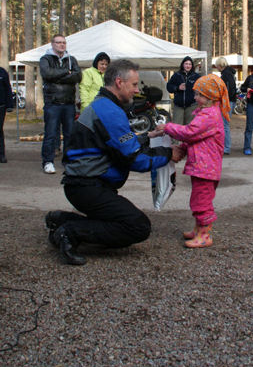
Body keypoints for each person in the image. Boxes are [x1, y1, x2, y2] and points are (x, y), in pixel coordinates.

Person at [44, 59, 182, 266]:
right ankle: (70, 231)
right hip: (87, 187)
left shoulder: (104, 105)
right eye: (134, 84)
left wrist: (148, 136)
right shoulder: (109, 111)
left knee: (117, 219)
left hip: (83, 185)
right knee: (137, 226)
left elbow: (117, 143)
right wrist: (167, 154)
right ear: (119, 82)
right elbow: (134, 159)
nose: (137, 90)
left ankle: (61, 219)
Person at [149, 74, 228, 249]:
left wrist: (168, 127)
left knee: (202, 200)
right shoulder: (206, 112)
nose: (195, 97)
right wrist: (183, 148)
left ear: (210, 96)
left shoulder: (209, 115)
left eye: (199, 94)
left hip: (205, 167)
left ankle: (204, 235)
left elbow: (191, 132)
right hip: (202, 165)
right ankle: (198, 229)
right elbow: (196, 136)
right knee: (199, 197)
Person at [39, 34, 81, 174]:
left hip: (68, 104)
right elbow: (47, 74)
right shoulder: (46, 59)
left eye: (63, 42)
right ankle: (48, 162)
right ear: (52, 44)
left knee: (70, 134)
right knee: (50, 133)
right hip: (53, 103)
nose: (61, 45)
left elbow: (78, 76)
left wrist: (59, 77)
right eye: (58, 42)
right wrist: (65, 73)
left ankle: (68, 161)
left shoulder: (71, 59)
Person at [167, 56, 200, 125]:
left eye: (190, 64)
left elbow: (202, 89)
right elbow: (168, 87)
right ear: (183, 65)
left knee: (190, 127)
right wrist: (177, 88)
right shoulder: (176, 75)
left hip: (191, 106)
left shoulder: (196, 76)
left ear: (192, 66)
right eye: (186, 64)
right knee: (177, 126)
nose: (188, 66)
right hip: (178, 106)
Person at [215, 56, 237, 154]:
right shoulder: (228, 73)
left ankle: (226, 147)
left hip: (227, 102)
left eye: (217, 66)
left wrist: (224, 99)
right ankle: (224, 146)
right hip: (228, 101)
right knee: (224, 124)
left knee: (224, 125)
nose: (217, 68)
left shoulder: (226, 74)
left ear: (220, 65)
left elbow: (229, 89)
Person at [0, 66, 14, 163]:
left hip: (1, 106)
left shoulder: (2, 72)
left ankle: (1, 155)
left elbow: (8, 88)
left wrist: (9, 105)